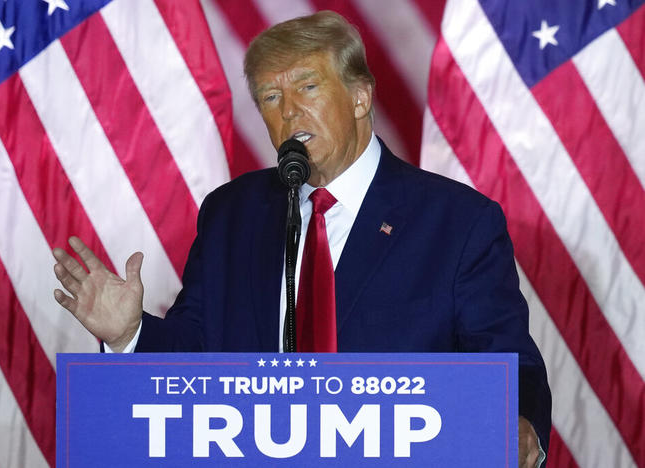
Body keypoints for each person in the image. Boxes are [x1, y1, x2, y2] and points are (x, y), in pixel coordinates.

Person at [52, 11, 550, 467]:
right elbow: (195, 357)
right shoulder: (231, 214)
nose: (289, 111)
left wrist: (520, 422)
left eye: (307, 88)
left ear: (360, 96)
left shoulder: (458, 222)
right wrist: (129, 333)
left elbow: (509, 360)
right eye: (270, 97)